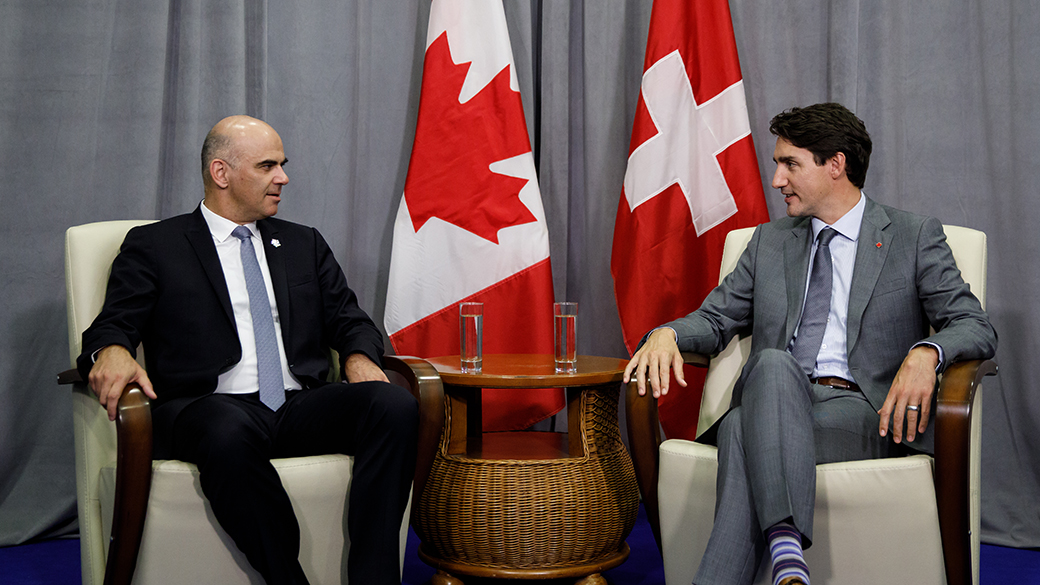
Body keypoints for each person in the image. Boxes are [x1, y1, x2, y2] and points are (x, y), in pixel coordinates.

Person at [623, 103, 996, 585]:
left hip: (861, 414)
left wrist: (929, 352)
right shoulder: (770, 242)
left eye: (790, 164)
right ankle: (787, 557)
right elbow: (715, 318)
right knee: (775, 366)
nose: (777, 179)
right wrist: (667, 333)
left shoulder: (912, 236)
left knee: (739, 433)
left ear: (835, 165)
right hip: (773, 395)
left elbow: (974, 324)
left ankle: (775, 551)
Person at [77, 115, 418, 584]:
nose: (284, 177)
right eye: (267, 166)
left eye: (282, 164)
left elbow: (350, 319)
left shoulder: (304, 242)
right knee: (224, 424)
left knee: (393, 404)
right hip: (206, 407)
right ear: (222, 173)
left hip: (297, 404)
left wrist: (359, 356)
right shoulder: (157, 245)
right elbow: (112, 323)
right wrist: (112, 348)